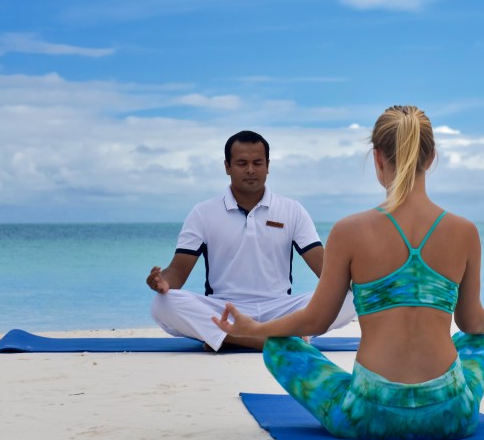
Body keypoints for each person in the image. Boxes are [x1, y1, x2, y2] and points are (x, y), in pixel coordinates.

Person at [213, 106, 484, 440]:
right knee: (475, 343)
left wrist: (257, 328)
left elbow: (316, 321)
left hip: (367, 414)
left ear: (377, 159)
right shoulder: (464, 231)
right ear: (430, 159)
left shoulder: (349, 231)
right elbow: (472, 323)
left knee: (278, 346)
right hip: (450, 415)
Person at [147, 130, 355, 351]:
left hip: (281, 311)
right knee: (164, 303)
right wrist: (162, 282)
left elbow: (325, 270)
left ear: (268, 165)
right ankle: (267, 340)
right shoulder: (203, 213)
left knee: (352, 299)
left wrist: (360, 279)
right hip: (225, 310)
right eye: (241, 163)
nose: (250, 170)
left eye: (257, 162)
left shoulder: (292, 210)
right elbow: (178, 273)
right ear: (227, 166)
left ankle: (226, 337)